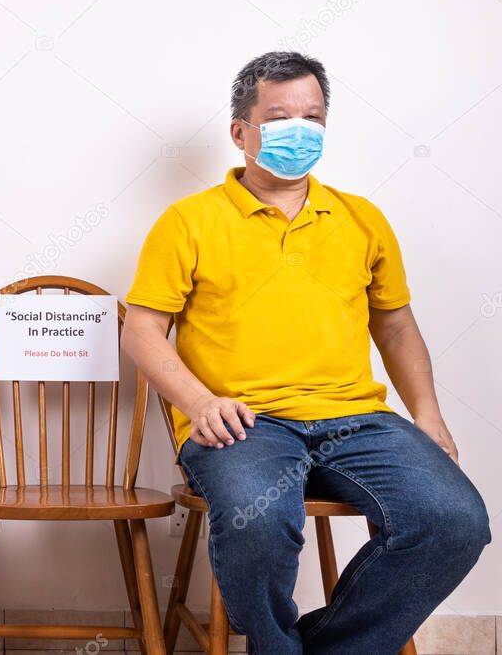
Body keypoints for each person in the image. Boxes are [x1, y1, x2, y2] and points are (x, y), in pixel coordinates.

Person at [121, 52, 490, 654]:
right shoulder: (188, 222)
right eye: (280, 116)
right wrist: (199, 401)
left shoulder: (361, 219)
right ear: (241, 131)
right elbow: (140, 329)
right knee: (258, 521)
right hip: (244, 423)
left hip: (357, 420)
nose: (301, 129)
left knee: (454, 521)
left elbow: (394, 326)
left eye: (312, 117)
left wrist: (427, 414)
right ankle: (274, 644)